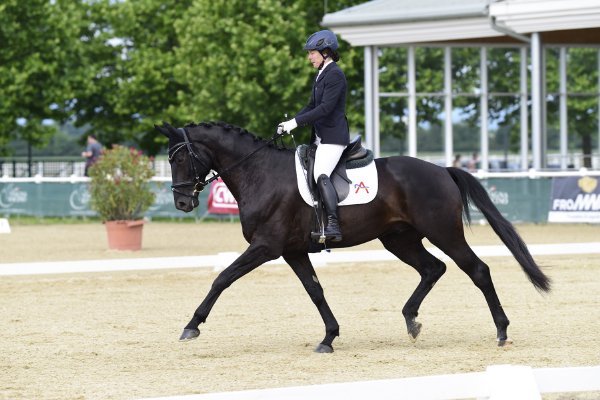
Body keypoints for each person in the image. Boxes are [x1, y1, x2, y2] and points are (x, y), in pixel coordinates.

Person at [278, 30, 349, 242]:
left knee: (320, 173)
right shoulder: (321, 74)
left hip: (334, 138)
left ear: (326, 52)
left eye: (312, 53)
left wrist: (296, 122)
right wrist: (289, 123)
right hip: (320, 138)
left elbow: (326, 108)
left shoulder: (335, 74)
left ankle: (334, 224)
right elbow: (311, 106)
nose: (309, 57)